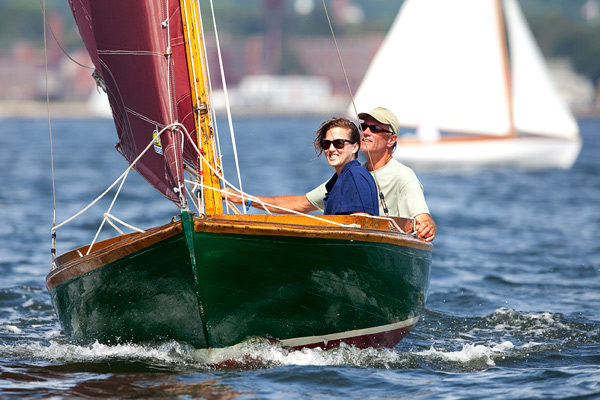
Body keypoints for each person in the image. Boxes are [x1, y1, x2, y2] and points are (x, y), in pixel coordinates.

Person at [223, 107, 436, 242]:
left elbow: (422, 217)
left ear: (391, 140)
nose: (367, 132)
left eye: (375, 128)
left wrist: (427, 225)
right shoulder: (349, 174)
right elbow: (300, 204)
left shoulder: (401, 176)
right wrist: (240, 198)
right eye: (364, 127)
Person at [314, 117, 378, 215]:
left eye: (338, 143)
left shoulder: (355, 175)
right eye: (326, 143)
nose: (331, 149)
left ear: (355, 147)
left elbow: (361, 223)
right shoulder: (341, 178)